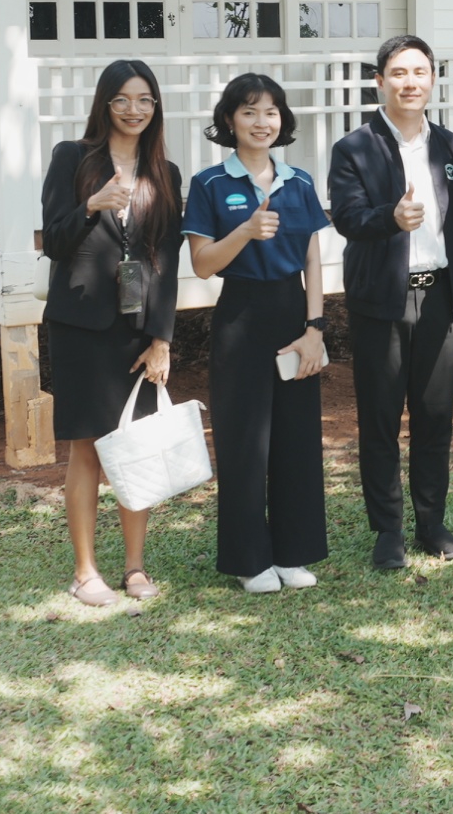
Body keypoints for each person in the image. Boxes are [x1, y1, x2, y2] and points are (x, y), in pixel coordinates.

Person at [40, 60, 182, 607]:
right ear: (105, 104)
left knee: (135, 449)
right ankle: (84, 572)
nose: (133, 110)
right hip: (80, 326)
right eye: (122, 99)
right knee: (88, 450)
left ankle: (135, 568)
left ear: (155, 107)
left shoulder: (164, 173)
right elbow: (54, 242)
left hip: (137, 330)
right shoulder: (72, 158)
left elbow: (166, 262)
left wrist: (162, 338)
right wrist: (90, 206)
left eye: (144, 100)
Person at [327, 35, 453, 572]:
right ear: (380, 81)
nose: (410, 83)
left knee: (435, 417)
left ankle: (432, 523)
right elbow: (347, 218)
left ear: (432, 79)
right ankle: (388, 529)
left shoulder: (452, 148)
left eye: (419, 72)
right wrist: (390, 218)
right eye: (399, 73)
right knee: (381, 418)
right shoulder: (355, 148)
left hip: (440, 298)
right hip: (381, 301)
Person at [183, 74, 331, 594]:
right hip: (241, 315)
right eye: (248, 111)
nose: (261, 122)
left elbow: (313, 261)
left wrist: (315, 329)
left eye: (270, 112)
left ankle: (293, 553)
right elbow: (202, 264)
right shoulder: (209, 184)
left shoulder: (300, 182)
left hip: (294, 312)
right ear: (230, 120)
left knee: (297, 439)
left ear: (282, 120)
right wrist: (244, 232)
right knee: (244, 441)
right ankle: (250, 560)